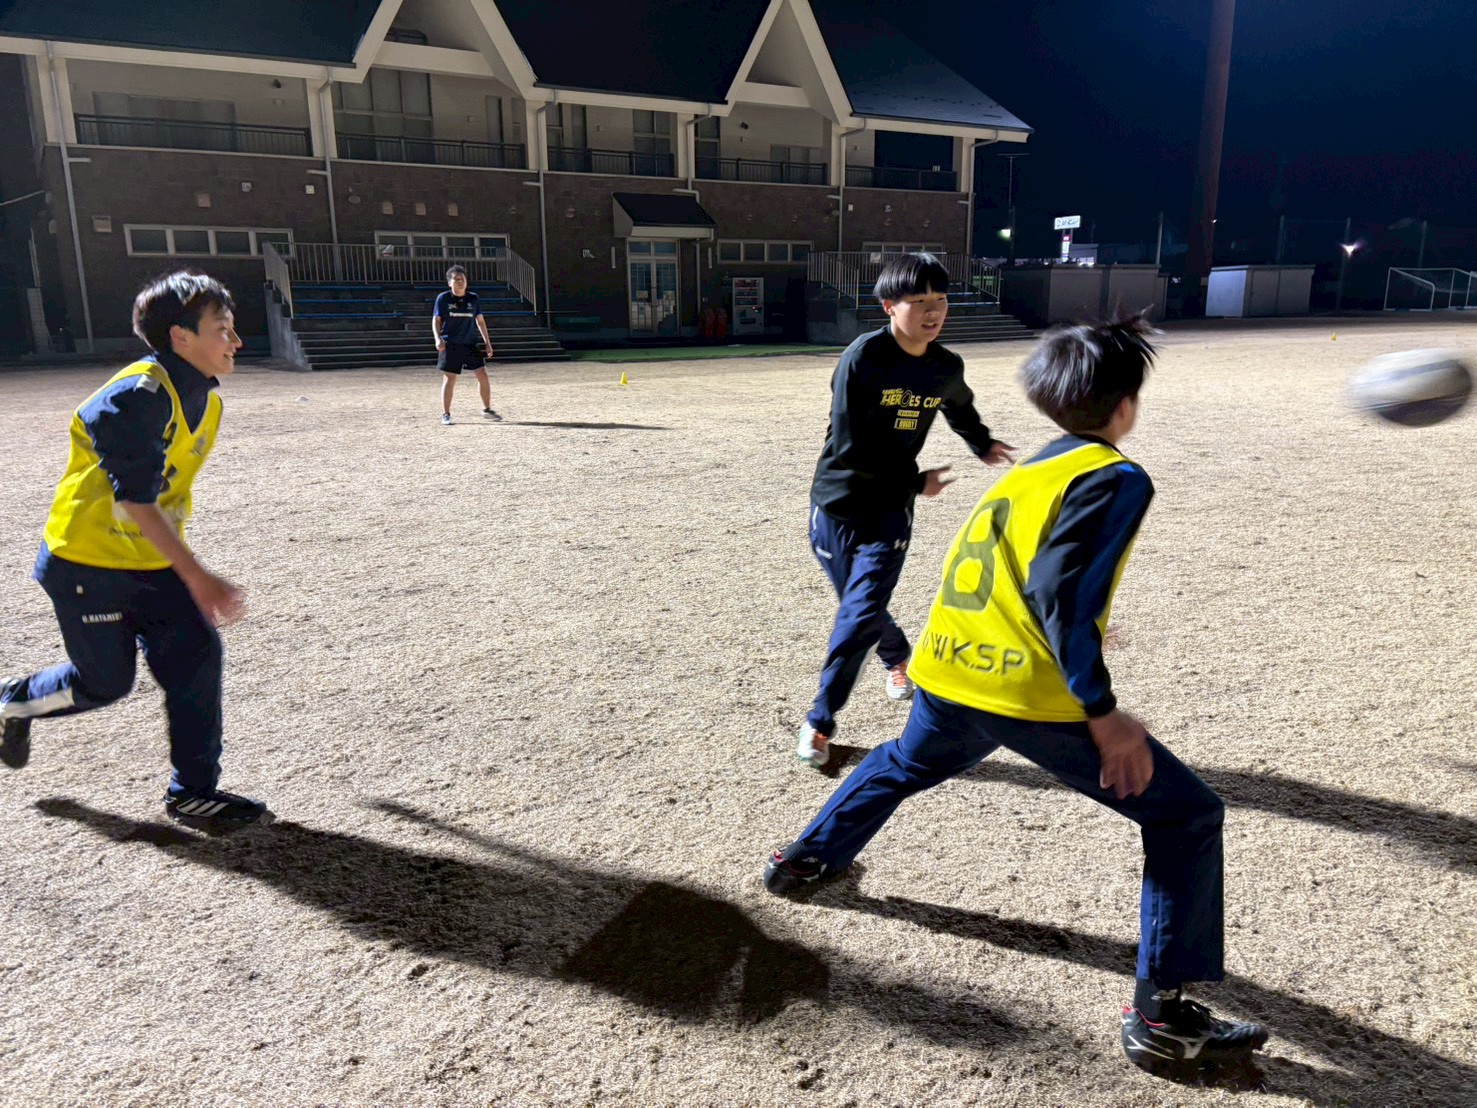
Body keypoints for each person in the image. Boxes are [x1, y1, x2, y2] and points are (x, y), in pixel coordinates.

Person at [763, 316, 1270, 1077]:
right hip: (1019, 688)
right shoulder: (1114, 475)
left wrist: (1078, 632)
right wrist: (1102, 713)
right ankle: (1160, 1021)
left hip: (948, 668)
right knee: (1185, 814)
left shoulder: (1028, 471)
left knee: (906, 761)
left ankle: (801, 861)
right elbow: (1059, 591)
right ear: (1125, 405)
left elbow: (1016, 577)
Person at [0, 272, 268, 832]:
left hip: (150, 562)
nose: (236, 341)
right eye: (223, 329)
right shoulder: (135, 397)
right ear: (180, 337)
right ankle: (14, 700)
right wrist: (198, 575)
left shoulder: (205, 400)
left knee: (196, 657)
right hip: (87, 564)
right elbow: (137, 500)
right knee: (105, 683)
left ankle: (193, 794)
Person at [797, 252, 1014, 768]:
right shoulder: (864, 358)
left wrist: (981, 443)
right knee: (858, 607)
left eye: (941, 300)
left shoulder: (944, 365)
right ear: (889, 306)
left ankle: (820, 722)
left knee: (859, 614)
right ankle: (898, 656)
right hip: (837, 502)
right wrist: (917, 481)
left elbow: (958, 405)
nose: (933, 312)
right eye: (919, 301)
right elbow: (849, 447)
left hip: (890, 510)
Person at [433, 265, 499, 425]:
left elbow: (480, 321)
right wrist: (437, 338)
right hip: (450, 343)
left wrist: (487, 342)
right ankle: (446, 414)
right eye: (456, 279)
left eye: (462, 279)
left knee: (482, 375)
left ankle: (487, 409)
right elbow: (436, 320)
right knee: (450, 379)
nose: (460, 282)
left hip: (470, 343)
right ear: (449, 282)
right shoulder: (443, 298)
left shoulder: (473, 298)